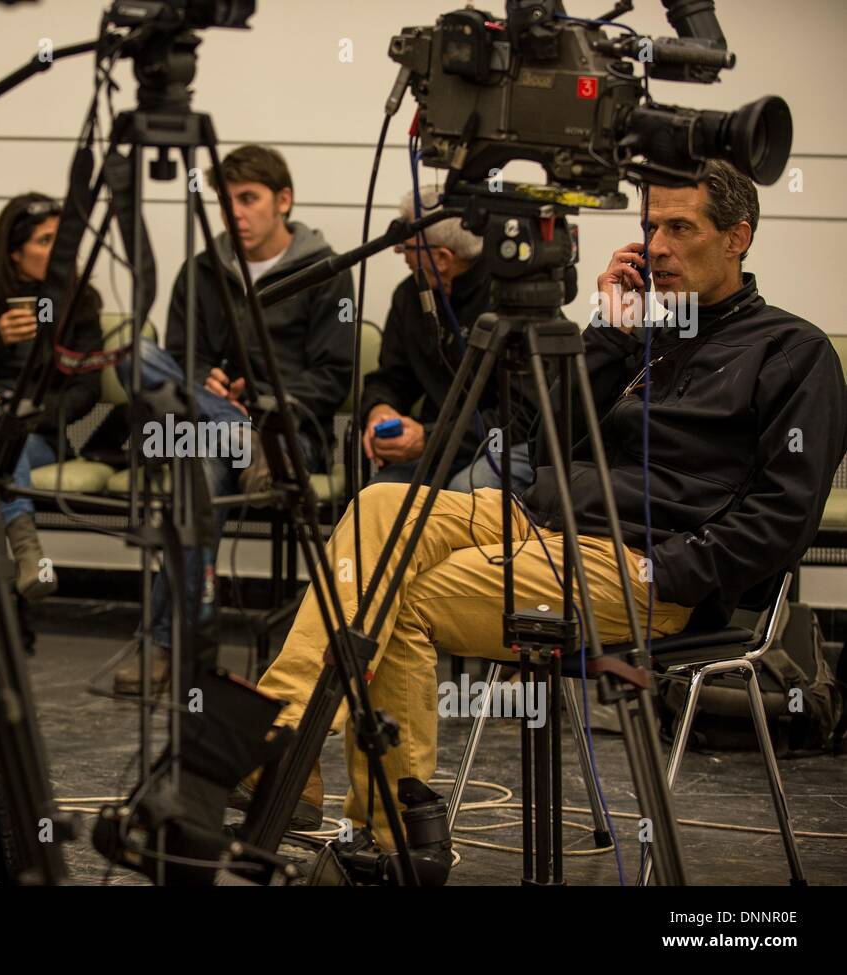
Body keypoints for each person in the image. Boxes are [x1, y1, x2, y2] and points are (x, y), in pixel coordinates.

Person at [238, 160, 847, 846]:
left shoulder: (793, 351)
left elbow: (785, 517)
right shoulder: (642, 336)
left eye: (681, 228)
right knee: (380, 505)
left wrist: (670, 570)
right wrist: (610, 334)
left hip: (643, 562)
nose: (660, 247)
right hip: (536, 519)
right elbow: (542, 434)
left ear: (738, 237)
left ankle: (387, 828)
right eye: (650, 227)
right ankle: (283, 738)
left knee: (393, 594)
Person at [112, 144, 355, 694]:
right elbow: (179, 357)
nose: (235, 213)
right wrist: (209, 386)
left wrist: (271, 402)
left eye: (248, 199)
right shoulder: (199, 271)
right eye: (226, 202)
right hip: (222, 432)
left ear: (283, 201)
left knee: (194, 468)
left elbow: (333, 374)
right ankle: (233, 427)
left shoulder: (326, 271)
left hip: (287, 435)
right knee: (133, 355)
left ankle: (168, 647)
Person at [0, 192, 104, 600]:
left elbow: (88, 388)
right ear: (15, 253)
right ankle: (26, 548)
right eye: (45, 241)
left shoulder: (80, 301)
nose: (58, 250)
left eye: (60, 239)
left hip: (38, 438)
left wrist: (32, 416)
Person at [361, 186, 535, 492]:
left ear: (442, 258)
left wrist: (429, 439)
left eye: (407, 247)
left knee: (465, 490)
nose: (400, 254)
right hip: (438, 445)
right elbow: (392, 377)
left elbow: (520, 417)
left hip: (508, 444)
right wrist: (380, 408)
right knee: (378, 497)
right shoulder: (410, 296)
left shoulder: (516, 299)